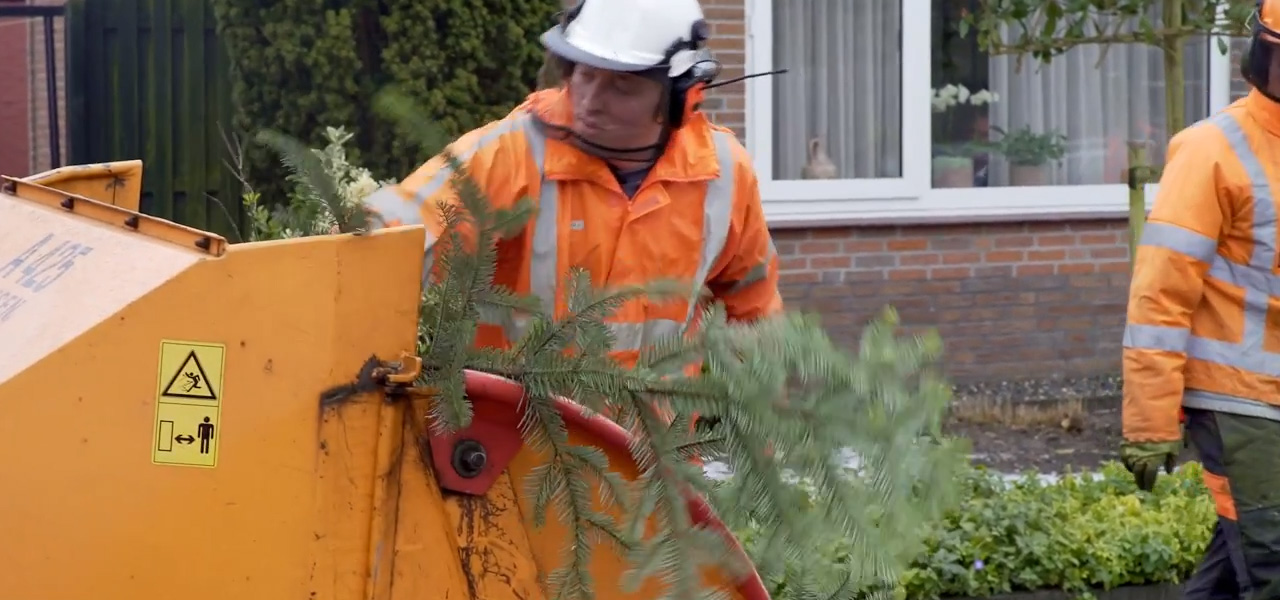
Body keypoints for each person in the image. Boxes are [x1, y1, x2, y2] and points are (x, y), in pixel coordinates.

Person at [362, 0, 783, 371]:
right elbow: (394, 241)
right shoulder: (511, 153)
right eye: (584, 73)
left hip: (656, 451)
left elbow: (754, 310)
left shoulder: (723, 172)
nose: (590, 98)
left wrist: (761, 439)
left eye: (621, 84)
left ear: (681, 97)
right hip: (522, 445)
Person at [1122, 1, 1280, 597]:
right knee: (1272, 559)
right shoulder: (1211, 150)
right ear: (1260, 58)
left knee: (1231, 570)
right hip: (1237, 397)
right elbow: (1159, 297)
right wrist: (1149, 418)